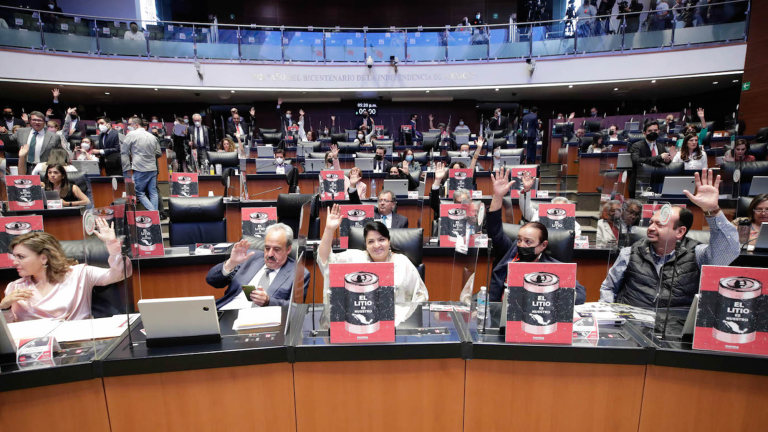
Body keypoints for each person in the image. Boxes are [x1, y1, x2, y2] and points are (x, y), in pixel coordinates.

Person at [601, 169, 740, 307]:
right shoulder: (629, 253)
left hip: (676, 325)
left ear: (680, 232)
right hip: (632, 321)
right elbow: (608, 288)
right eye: (651, 223)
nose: (651, 228)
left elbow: (728, 251)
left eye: (659, 225)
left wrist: (713, 211)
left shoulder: (698, 254)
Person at [487, 168, 586, 304]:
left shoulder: (553, 265)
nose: (522, 245)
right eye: (520, 240)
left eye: (528, 242)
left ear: (543, 245)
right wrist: (497, 196)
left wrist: (552, 295)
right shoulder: (511, 251)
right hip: (502, 312)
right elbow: (495, 229)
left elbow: (580, 295)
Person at [1, 220, 129, 322]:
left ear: (44, 258)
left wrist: (113, 245)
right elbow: (11, 332)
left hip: (78, 344)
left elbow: (120, 273)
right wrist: (4, 307)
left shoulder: (80, 274)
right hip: (35, 349)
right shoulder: (14, 287)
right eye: (15, 256)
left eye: (21, 257)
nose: (14, 262)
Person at [318, 206, 428, 313]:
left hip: (397, 321)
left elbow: (421, 296)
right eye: (371, 241)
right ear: (365, 245)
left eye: (381, 240)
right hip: (360, 319)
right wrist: (329, 229)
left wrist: (402, 317)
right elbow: (326, 261)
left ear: (389, 241)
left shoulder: (402, 262)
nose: (376, 245)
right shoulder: (356, 258)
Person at [206, 224, 310, 309]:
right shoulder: (249, 258)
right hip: (229, 312)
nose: (269, 254)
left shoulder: (299, 273)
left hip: (263, 322)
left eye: (276, 249)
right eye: (267, 248)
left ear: (288, 249)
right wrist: (231, 263)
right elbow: (212, 280)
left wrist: (269, 301)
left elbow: (296, 309)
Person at [516, 171, 583, 236]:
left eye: (562, 208)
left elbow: (576, 237)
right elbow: (525, 208)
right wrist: (526, 190)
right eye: (556, 208)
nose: (558, 212)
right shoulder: (538, 215)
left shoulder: (572, 223)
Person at [122, 117, 161, 211]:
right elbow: (158, 153)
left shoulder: (131, 134)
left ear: (136, 124)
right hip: (152, 168)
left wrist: (126, 170)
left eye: (130, 124)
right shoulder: (152, 136)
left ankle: (153, 213)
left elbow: (124, 153)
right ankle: (155, 217)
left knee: (139, 193)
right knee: (153, 193)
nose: (129, 127)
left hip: (140, 168)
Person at [629, 121, 670, 197]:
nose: (653, 133)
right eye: (650, 131)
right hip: (640, 183)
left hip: (657, 183)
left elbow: (663, 163)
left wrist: (667, 160)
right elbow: (636, 160)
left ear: (658, 131)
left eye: (655, 131)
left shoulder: (661, 146)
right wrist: (659, 157)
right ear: (644, 133)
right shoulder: (636, 146)